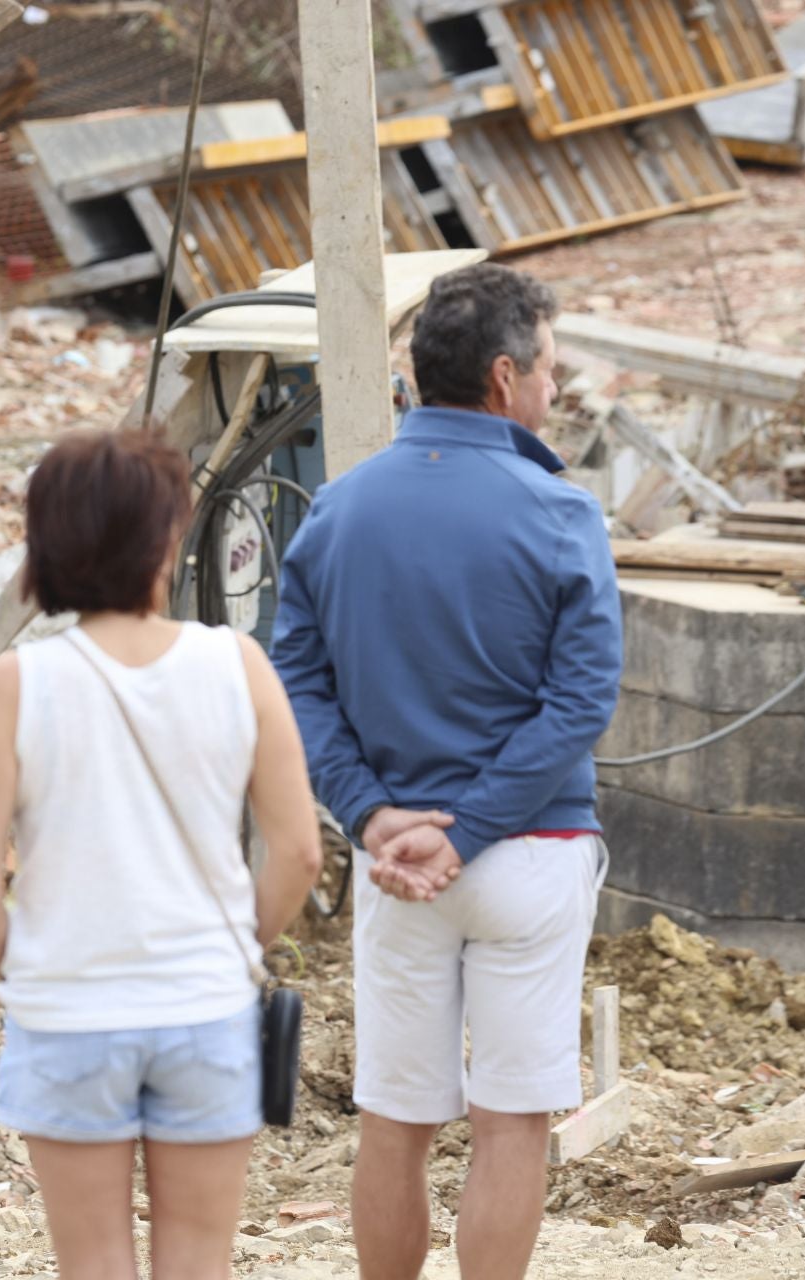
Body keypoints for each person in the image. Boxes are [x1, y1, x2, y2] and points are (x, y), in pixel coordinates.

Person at [271, 262, 622, 1280]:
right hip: (529, 850)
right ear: (507, 378)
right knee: (512, 1124)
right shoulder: (561, 513)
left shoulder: (338, 510)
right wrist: (464, 830)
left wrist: (373, 814)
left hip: (394, 867)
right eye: (550, 369)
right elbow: (579, 704)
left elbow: (295, 676)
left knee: (395, 1120)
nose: (556, 391)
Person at [0, 431, 325, 1280]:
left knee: (92, 1264)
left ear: (49, 545)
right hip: (206, 1006)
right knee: (198, 1258)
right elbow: (299, 853)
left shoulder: (15, 682)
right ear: (164, 539)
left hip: (69, 1016)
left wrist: (32, 969)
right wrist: (235, 948)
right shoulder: (239, 664)